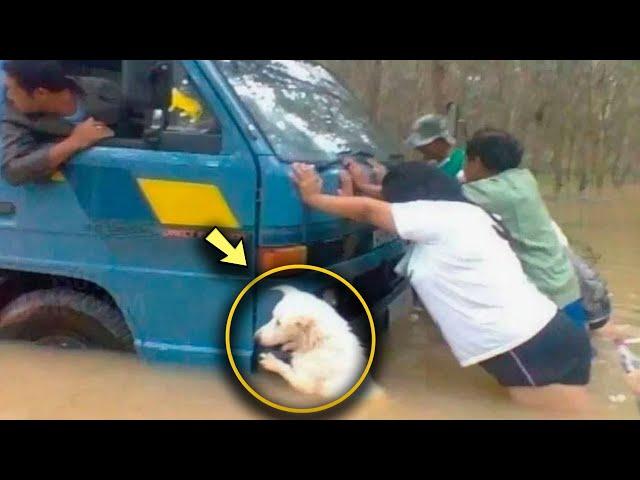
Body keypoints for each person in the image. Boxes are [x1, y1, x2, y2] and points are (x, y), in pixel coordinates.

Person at [291, 160, 595, 415]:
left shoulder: (442, 218)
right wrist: (353, 193)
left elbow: (372, 211)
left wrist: (315, 198)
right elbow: (382, 208)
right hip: (547, 335)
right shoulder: (462, 214)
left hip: (524, 346)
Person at [461, 129, 587, 327]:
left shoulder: (495, 191)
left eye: (466, 161)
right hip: (564, 286)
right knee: (577, 352)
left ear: (476, 162)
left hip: (546, 293)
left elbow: (445, 195)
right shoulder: (523, 179)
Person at [1, 60, 122, 186]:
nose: (8, 96)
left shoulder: (103, 93)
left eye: (11, 89)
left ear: (41, 93)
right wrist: (73, 142)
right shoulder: (15, 115)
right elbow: (12, 171)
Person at [344, 113, 465, 198]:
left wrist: (363, 186)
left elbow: (412, 195)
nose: (419, 149)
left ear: (439, 142)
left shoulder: (463, 164)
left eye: (423, 145)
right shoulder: (429, 165)